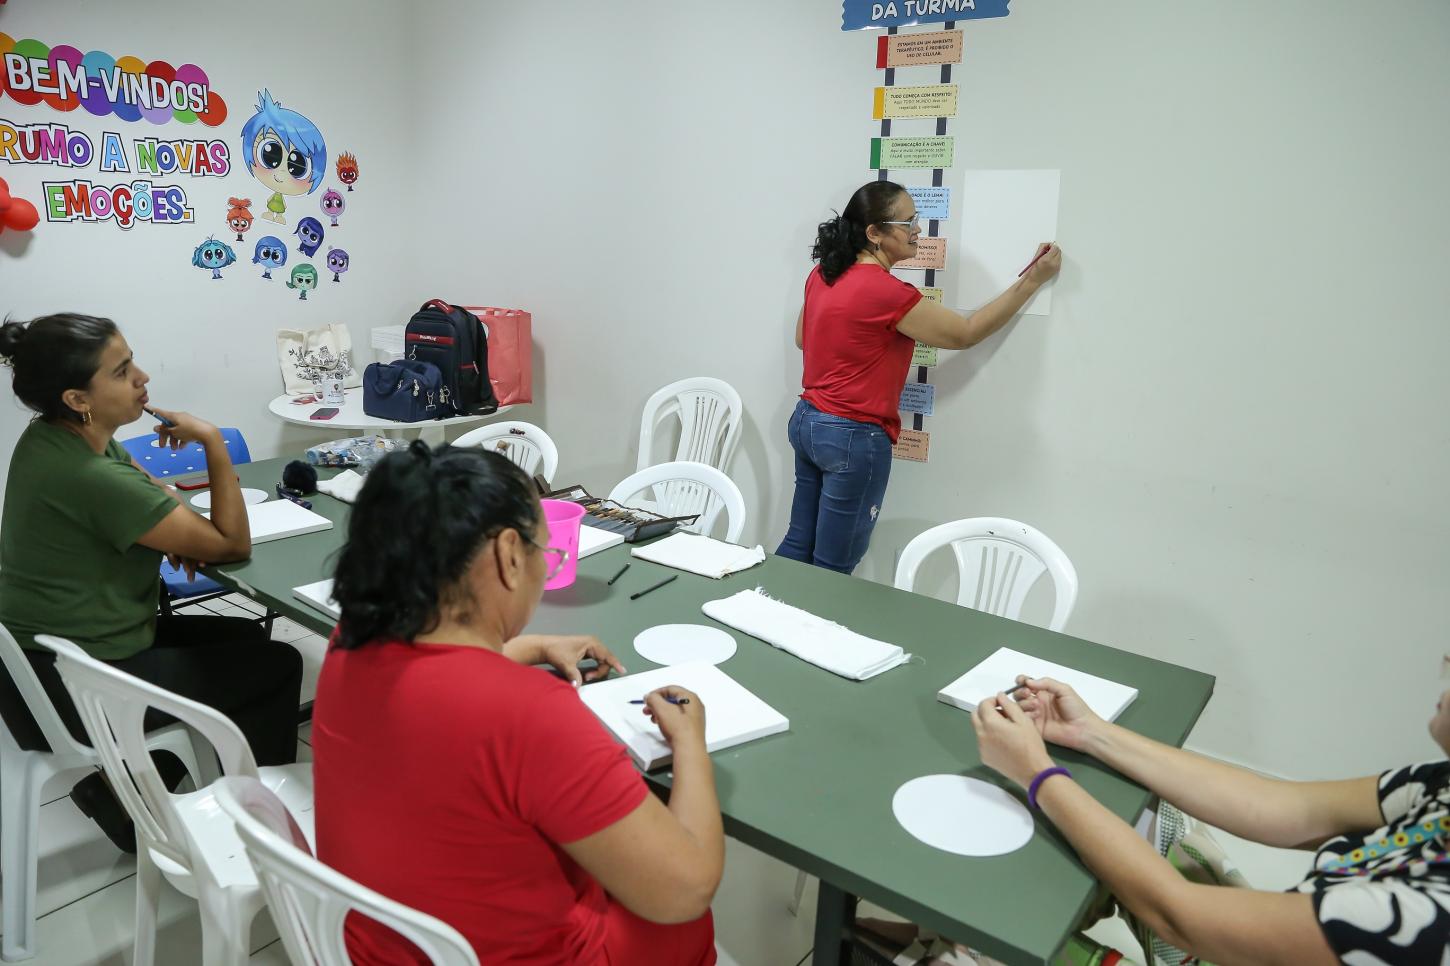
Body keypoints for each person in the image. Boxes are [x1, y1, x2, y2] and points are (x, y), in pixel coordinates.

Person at [313, 442, 722, 965]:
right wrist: (690, 741)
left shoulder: (350, 639)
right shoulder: (529, 712)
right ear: (509, 555)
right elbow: (684, 891)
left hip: (381, 946)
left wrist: (524, 648)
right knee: (687, 913)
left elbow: (437, 684)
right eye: (544, 556)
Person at [0, 313, 303, 851]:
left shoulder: (57, 437)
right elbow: (232, 544)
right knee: (280, 665)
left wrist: (170, 535)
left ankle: (126, 799)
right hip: (71, 680)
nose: (141, 377)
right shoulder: (90, 474)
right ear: (77, 398)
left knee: (246, 641)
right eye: (121, 372)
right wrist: (210, 440)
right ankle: (260, 828)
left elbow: (153, 496)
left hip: (43, 656)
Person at [972, 675, 1450, 963]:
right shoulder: (1440, 789)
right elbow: (1289, 809)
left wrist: (1037, 773)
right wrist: (1091, 733)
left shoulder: (1421, 918)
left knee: (979, 939)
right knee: (1154, 818)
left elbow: (1178, 916)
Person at [777, 180, 1063, 574]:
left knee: (797, 544)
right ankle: (801, 632)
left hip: (808, 422)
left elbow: (800, 338)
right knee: (832, 568)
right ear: (874, 232)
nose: (918, 230)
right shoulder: (887, 292)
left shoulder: (823, 275)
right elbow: (965, 334)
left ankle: (761, 618)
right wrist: (1032, 281)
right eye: (907, 221)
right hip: (852, 436)